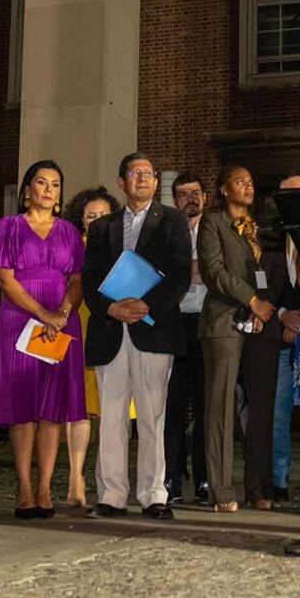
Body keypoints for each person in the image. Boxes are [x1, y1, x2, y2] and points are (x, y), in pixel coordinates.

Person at [82, 153, 192, 519]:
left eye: (148, 173)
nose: (143, 178)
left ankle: (154, 494)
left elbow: (179, 274)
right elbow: (90, 280)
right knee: (112, 418)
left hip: (154, 328)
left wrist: (146, 305)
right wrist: (110, 308)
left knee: (152, 417)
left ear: (156, 181)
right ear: (121, 182)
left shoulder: (173, 220)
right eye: (135, 172)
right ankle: (111, 495)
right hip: (110, 329)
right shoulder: (102, 228)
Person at [0, 160, 85, 519]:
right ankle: (24, 487)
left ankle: (45, 489)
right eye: (41, 182)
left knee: (51, 408)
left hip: (61, 320)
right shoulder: (8, 227)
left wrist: (62, 314)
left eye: (55, 184)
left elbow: (77, 281)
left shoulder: (69, 231)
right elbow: (4, 280)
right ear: (27, 191)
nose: (48, 189)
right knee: (21, 407)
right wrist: (44, 314)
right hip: (19, 319)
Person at [199, 165, 290, 511]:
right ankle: (221, 490)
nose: (248, 187)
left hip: (261, 324)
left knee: (262, 408)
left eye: (251, 182)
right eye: (240, 182)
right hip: (225, 320)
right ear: (224, 189)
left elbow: (272, 272)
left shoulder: (262, 228)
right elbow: (214, 271)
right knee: (221, 406)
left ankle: (259, 488)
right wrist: (252, 300)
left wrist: (264, 307)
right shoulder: (213, 223)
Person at [63, 186, 117, 505]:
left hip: (112, 325)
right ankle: (76, 477)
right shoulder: (73, 246)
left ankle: (108, 480)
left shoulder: (121, 245)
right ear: (80, 219)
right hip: (78, 322)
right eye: (90, 216)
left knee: (111, 409)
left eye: (103, 215)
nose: (96, 221)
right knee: (79, 405)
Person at [163, 173, 210, 506]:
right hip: (175, 324)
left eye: (195, 193)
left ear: (205, 197)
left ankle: (205, 480)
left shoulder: (216, 229)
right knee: (172, 406)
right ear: (174, 200)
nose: (190, 199)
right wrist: (189, 272)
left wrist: (200, 270)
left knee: (208, 407)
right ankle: (173, 479)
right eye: (183, 194)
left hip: (208, 325)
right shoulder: (166, 232)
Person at [272, 171, 300, 502]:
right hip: (281, 339)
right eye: (285, 194)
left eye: (297, 193)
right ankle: (279, 479)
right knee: (278, 415)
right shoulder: (268, 236)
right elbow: (260, 285)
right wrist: (283, 314)